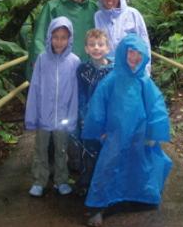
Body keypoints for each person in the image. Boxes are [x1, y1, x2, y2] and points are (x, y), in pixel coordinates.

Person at [81, 33, 173, 226]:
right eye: (130, 52)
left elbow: (156, 107)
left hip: (139, 134)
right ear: (123, 53)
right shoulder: (111, 80)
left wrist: (153, 134)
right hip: (115, 134)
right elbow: (98, 106)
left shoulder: (144, 81)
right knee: (108, 166)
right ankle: (98, 206)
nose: (134, 57)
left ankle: (138, 197)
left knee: (140, 164)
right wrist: (99, 130)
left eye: (138, 54)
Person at [25, 16, 80, 197]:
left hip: (63, 119)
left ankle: (61, 180)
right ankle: (39, 180)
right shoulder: (42, 59)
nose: (59, 41)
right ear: (49, 37)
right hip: (44, 117)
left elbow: (75, 93)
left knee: (61, 150)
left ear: (69, 39)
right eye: (55, 37)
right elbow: (34, 88)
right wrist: (33, 116)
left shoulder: (74, 61)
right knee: (40, 150)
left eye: (64, 37)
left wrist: (72, 118)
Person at [29, 0, 98, 68]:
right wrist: (39, 63)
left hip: (87, 70)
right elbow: (39, 39)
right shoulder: (52, 7)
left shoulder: (94, 8)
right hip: (58, 69)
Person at [74, 29, 114, 196]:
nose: (96, 48)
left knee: (106, 153)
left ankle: (106, 185)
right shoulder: (82, 69)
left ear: (108, 47)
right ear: (86, 48)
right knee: (87, 150)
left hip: (106, 120)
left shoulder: (113, 71)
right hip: (89, 118)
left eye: (100, 44)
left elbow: (115, 98)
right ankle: (87, 182)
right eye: (92, 45)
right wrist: (83, 116)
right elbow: (81, 94)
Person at [94, 0, 151, 73]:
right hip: (108, 71)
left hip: (132, 69)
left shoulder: (133, 14)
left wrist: (145, 70)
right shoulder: (98, 16)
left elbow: (144, 43)